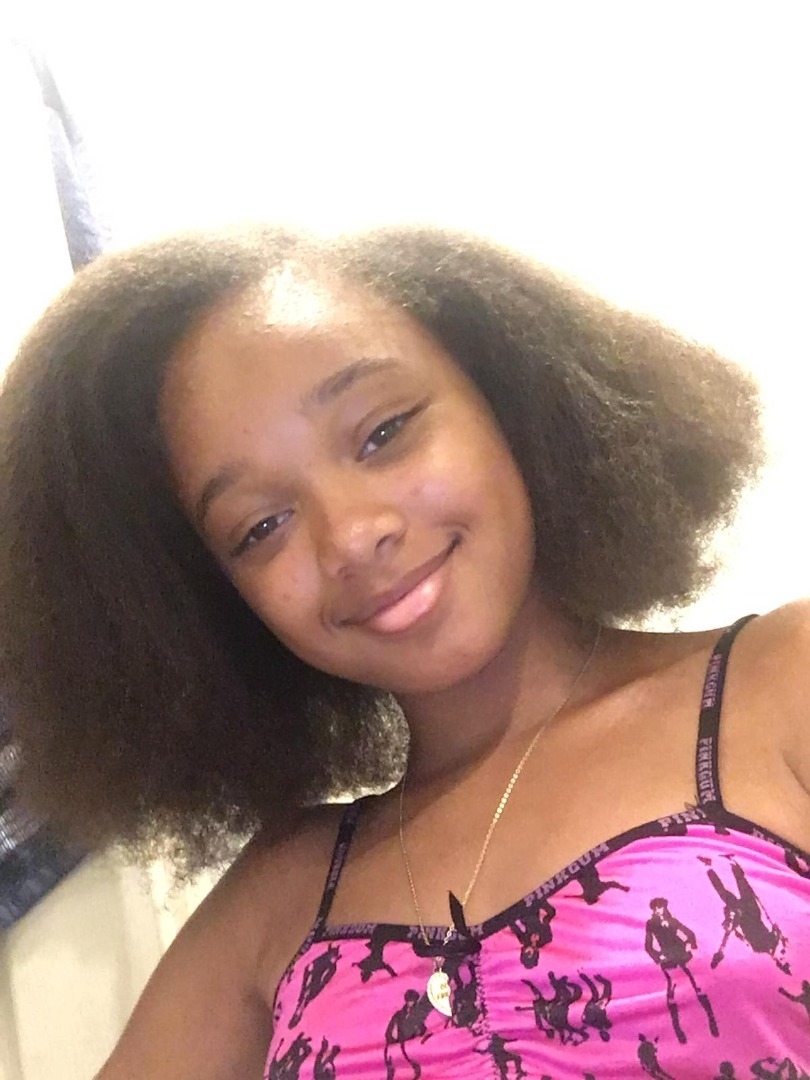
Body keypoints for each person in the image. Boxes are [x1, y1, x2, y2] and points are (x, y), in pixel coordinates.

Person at [0, 224, 808, 1078]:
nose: (351, 537)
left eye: (383, 432)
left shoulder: (781, 683)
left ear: (507, 391)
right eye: (261, 527)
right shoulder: (282, 892)